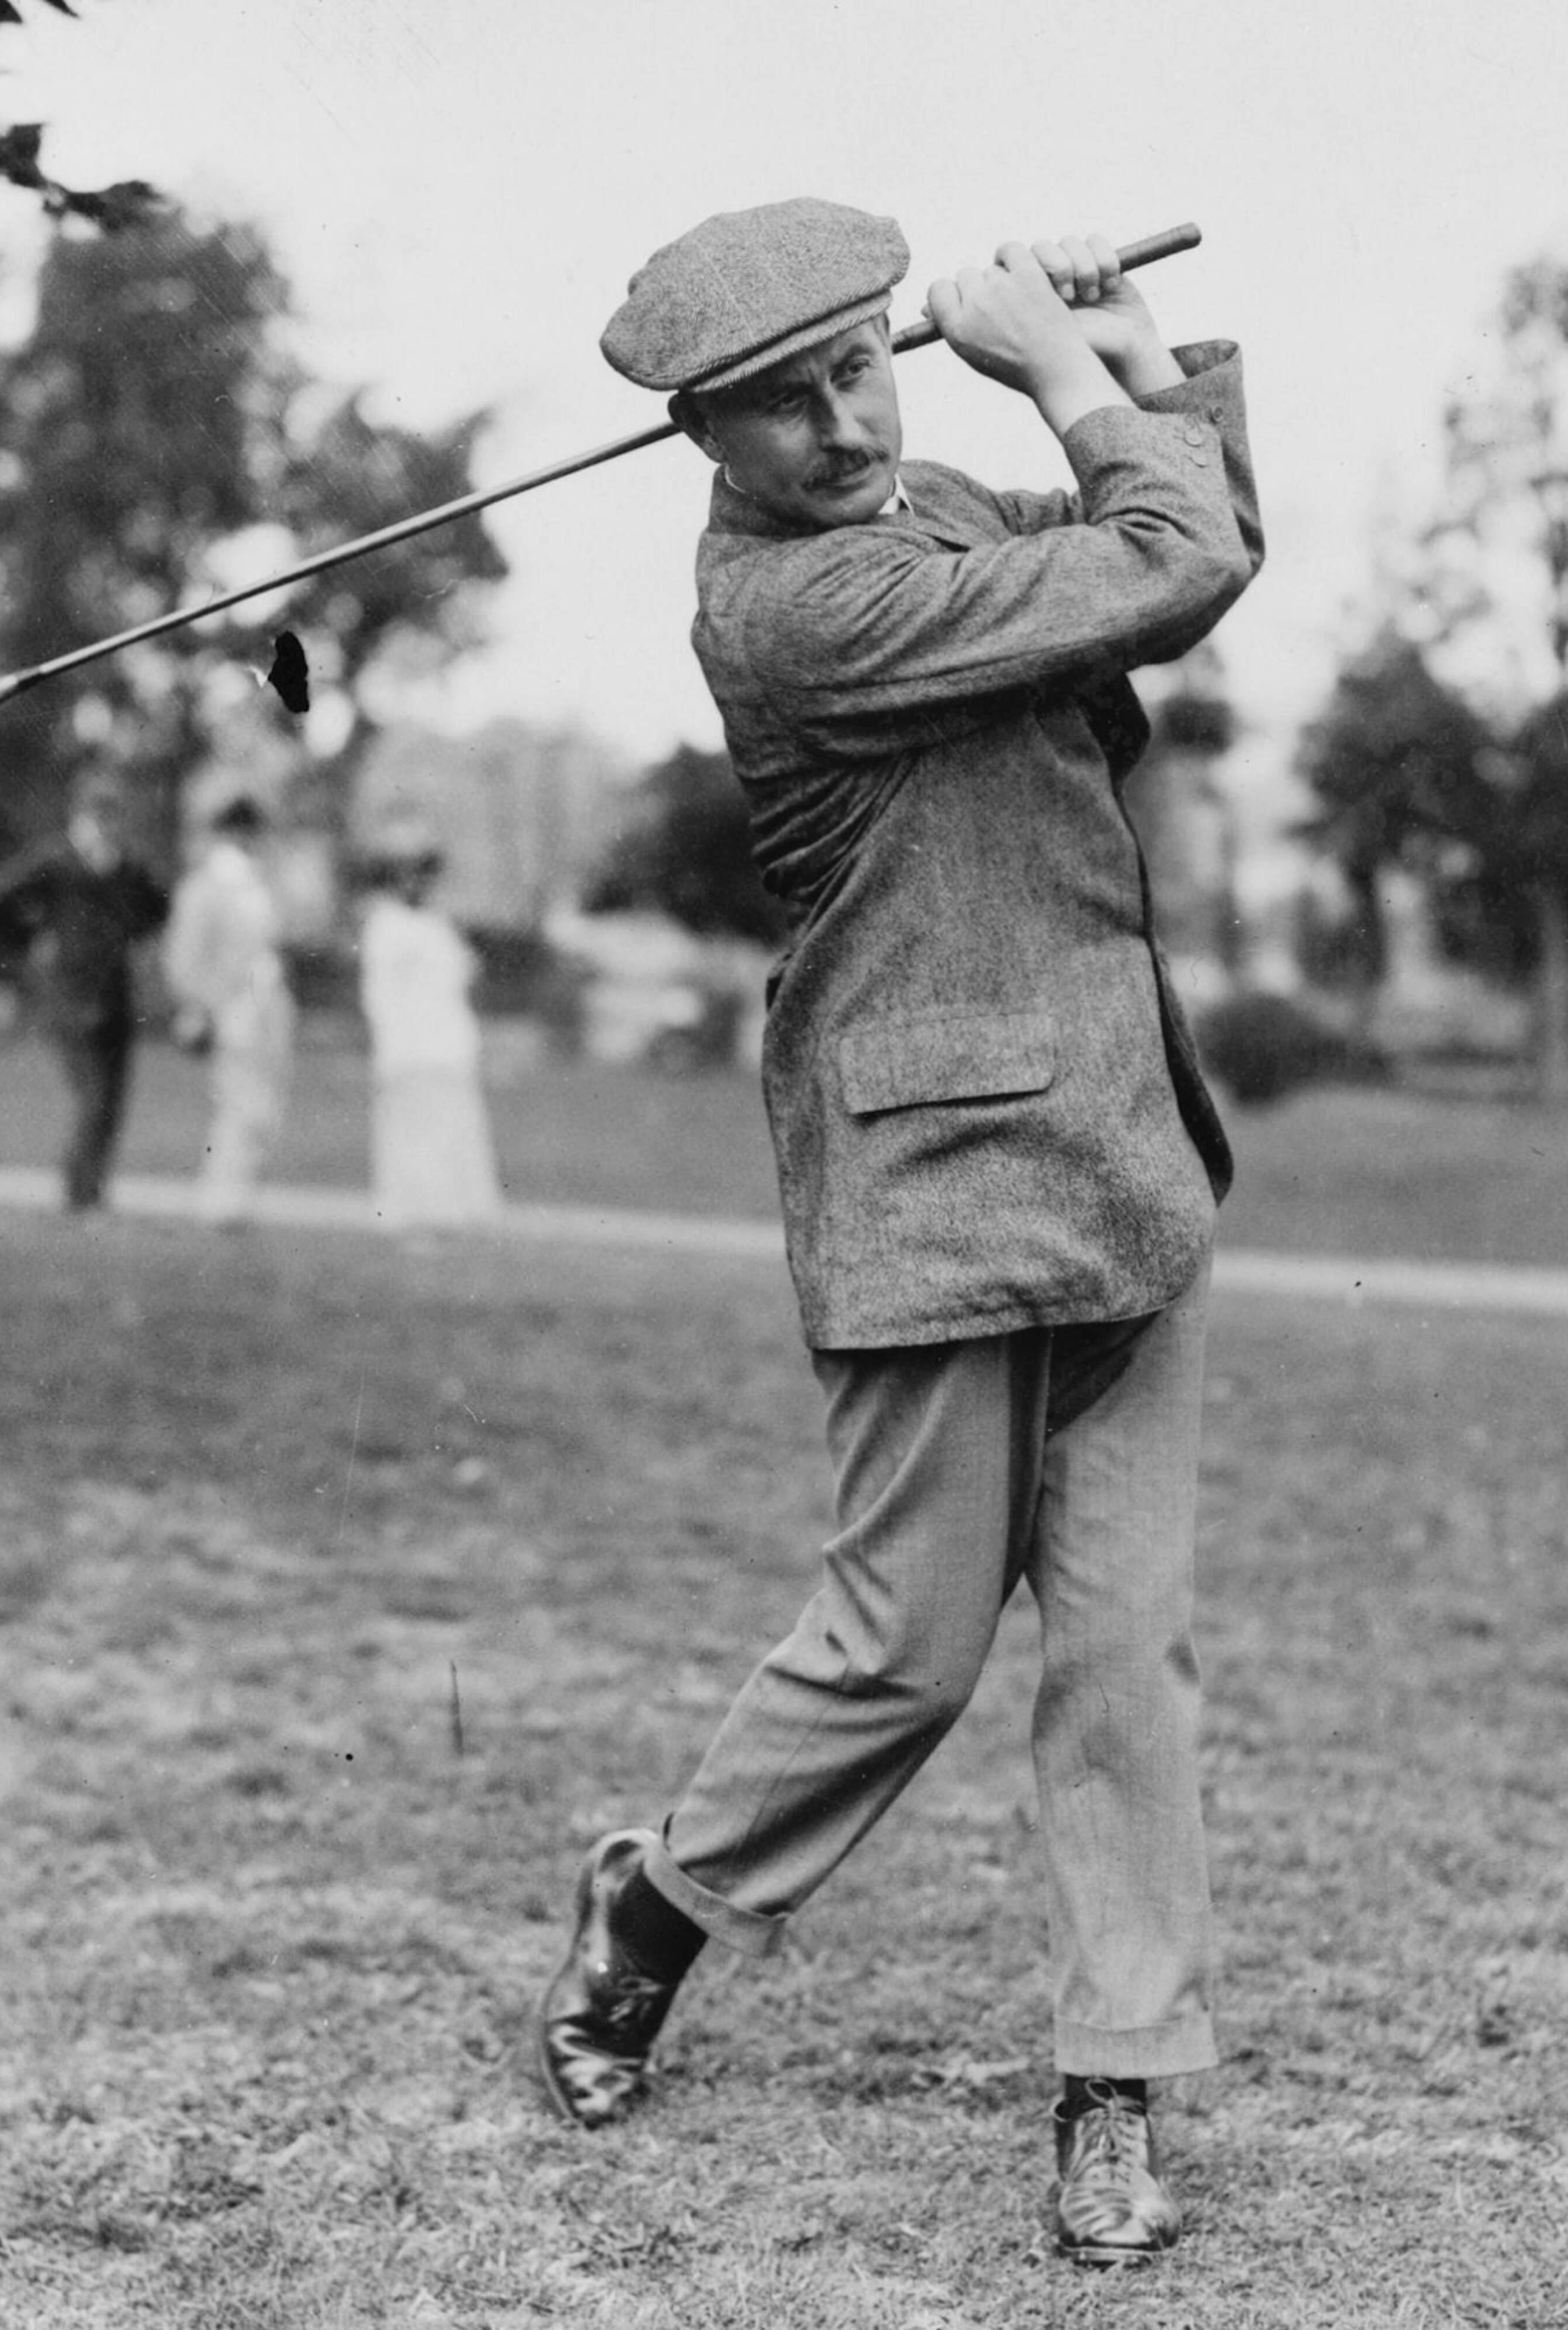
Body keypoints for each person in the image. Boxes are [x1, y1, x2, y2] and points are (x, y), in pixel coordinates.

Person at [536, 199, 1263, 2269]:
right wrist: (1065, 380)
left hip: (1126, 1149)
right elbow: (1165, 554)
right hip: (934, 1181)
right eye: (781, 408)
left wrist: (1139, 353)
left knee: (1128, 1656)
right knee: (903, 1647)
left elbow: (1194, 553)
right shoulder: (794, 611)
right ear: (704, 442)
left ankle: (1114, 2078)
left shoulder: (932, 495)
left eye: (859, 365)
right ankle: (656, 1904)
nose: (844, 428)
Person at [0, 765, 168, 1211]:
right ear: (79, 816)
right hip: (69, 996)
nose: (105, 825)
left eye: (112, 815)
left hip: (115, 994)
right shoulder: (55, 863)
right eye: (97, 815)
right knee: (94, 1096)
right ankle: (80, 1196)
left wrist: (131, 936)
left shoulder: (130, 868)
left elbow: (159, 908)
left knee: (113, 1101)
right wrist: (27, 943)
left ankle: (92, 1190)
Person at [354, 842, 503, 1233]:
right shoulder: (385, 926)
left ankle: (457, 1210)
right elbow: (380, 998)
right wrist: (391, 1047)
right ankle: (417, 1214)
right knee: (413, 1134)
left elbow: (462, 979)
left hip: (449, 1045)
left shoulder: (438, 926)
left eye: (426, 876)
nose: (419, 884)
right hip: (409, 1049)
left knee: (455, 1128)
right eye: (411, 874)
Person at [162, 794, 294, 1228]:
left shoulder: (259, 885)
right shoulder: (205, 888)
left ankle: (239, 1200)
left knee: (264, 1111)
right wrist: (208, 1006)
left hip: (267, 1007)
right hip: (233, 1009)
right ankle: (221, 1203)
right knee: (241, 1107)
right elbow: (184, 961)